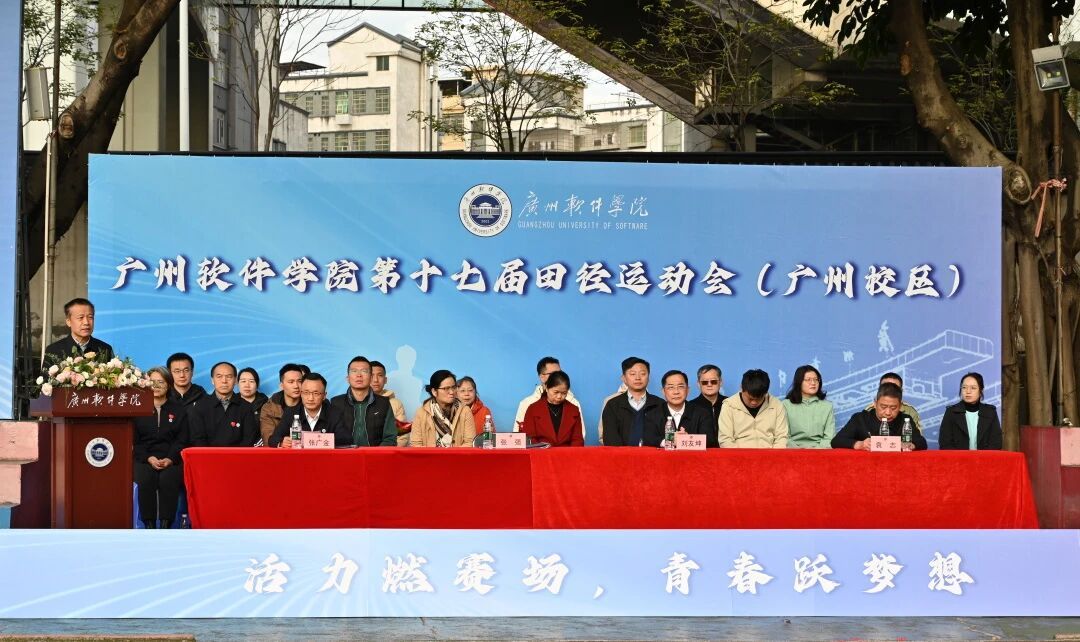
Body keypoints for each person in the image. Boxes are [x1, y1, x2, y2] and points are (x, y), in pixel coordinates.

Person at [133, 366, 187, 529]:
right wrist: (149, 458)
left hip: (171, 458)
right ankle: (149, 524)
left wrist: (170, 458)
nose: (156, 386)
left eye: (161, 382)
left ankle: (166, 524)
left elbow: (182, 439)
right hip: (144, 458)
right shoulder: (137, 408)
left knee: (168, 478)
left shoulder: (179, 410)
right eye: (152, 382)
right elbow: (135, 441)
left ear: (169, 385)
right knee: (145, 477)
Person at [832, 382, 928, 450]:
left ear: (900, 406)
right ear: (875, 403)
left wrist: (910, 445)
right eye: (883, 407)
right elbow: (836, 441)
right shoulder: (860, 418)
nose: (888, 412)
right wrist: (859, 444)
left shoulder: (905, 420)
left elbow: (922, 442)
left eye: (893, 408)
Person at [187, 361, 258, 447]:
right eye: (219, 376)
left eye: (229, 376)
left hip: (238, 455)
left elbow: (249, 439)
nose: (224, 381)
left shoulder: (246, 407)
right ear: (212, 380)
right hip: (207, 455)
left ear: (235, 380)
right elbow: (197, 439)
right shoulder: (200, 406)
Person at [329, 356, 395, 447]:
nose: (359, 375)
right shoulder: (335, 403)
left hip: (375, 455)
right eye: (354, 371)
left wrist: (376, 454)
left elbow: (390, 438)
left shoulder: (384, 403)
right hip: (344, 454)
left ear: (371, 377)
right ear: (347, 378)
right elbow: (329, 436)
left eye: (364, 371)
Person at [271, 373, 351, 448]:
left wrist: (314, 439)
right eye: (306, 393)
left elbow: (346, 439)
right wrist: (282, 442)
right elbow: (273, 439)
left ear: (324, 396)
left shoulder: (335, 413)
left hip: (325, 457)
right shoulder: (291, 413)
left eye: (316, 393)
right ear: (301, 394)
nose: (310, 398)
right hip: (299, 457)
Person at [515, 356, 585, 439]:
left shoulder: (574, 403)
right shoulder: (527, 404)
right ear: (542, 377)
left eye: (560, 373)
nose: (558, 377)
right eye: (553, 374)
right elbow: (519, 436)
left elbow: (580, 436)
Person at [601, 357, 665, 447]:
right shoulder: (613, 405)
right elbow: (610, 438)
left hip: (653, 455)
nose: (638, 378)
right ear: (624, 378)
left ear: (648, 377)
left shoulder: (660, 404)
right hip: (621, 455)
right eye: (632, 374)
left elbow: (665, 437)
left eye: (643, 374)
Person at [718, 369, 788, 448]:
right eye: (750, 398)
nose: (754, 403)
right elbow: (725, 440)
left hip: (769, 453)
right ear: (741, 388)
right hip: (738, 454)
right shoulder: (729, 406)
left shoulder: (777, 405)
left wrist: (774, 455)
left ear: (766, 393)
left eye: (759, 399)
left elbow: (781, 437)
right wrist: (740, 455)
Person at [409, 370, 476, 447]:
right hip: (429, 455)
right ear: (434, 391)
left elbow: (470, 442)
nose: (451, 392)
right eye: (446, 388)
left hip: (457, 455)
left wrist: (451, 454)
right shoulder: (421, 413)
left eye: (453, 387)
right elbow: (416, 444)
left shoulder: (465, 411)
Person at [938, 372, 1003, 450]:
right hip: (957, 457)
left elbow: (996, 443)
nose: (968, 391)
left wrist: (981, 457)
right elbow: (945, 443)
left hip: (984, 457)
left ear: (981, 391)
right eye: (964, 387)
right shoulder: (951, 412)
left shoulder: (990, 412)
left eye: (973, 388)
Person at [42, 297, 114, 367]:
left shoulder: (105, 349)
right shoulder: (53, 350)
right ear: (68, 322)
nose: (86, 322)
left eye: (90, 317)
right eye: (80, 317)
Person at [521, 371, 584, 447]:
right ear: (547, 388)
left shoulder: (573, 410)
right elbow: (529, 438)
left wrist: (570, 454)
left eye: (564, 393)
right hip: (541, 453)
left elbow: (577, 440)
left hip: (567, 453)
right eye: (556, 392)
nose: (559, 396)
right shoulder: (533, 409)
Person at [782, 365, 836, 448]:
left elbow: (829, 437)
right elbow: (784, 436)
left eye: (816, 379)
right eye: (808, 380)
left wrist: (815, 452)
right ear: (799, 382)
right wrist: (798, 452)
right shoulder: (786, 405)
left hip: (820, 451)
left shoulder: (827, 406)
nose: (813, 383)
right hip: (793, 451)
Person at [660, 369, 718, 447]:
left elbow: (710, 440)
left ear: (688, 390)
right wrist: (670, 440)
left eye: (681, 387)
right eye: (671, 387)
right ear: (663, 391)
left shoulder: (702, 413)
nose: (676, 392)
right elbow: (649, 438)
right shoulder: (653, 413)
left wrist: (688, 439)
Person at [260, 363, 307, 447]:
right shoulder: (269, 408)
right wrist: (280, 442)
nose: (296, 386)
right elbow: (267, 437)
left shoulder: (310, 404)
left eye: (300, 381)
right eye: (291, 382)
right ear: (281, 386)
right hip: (279, 452)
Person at [372, 360, 411, 446]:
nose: (375, 380)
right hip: (363, 452)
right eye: (371, 375)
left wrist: (386, 452)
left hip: (388, 452)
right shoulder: (357, 402)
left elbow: (402, 435)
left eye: (380, 375)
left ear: (385, 380)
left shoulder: (396, 404)